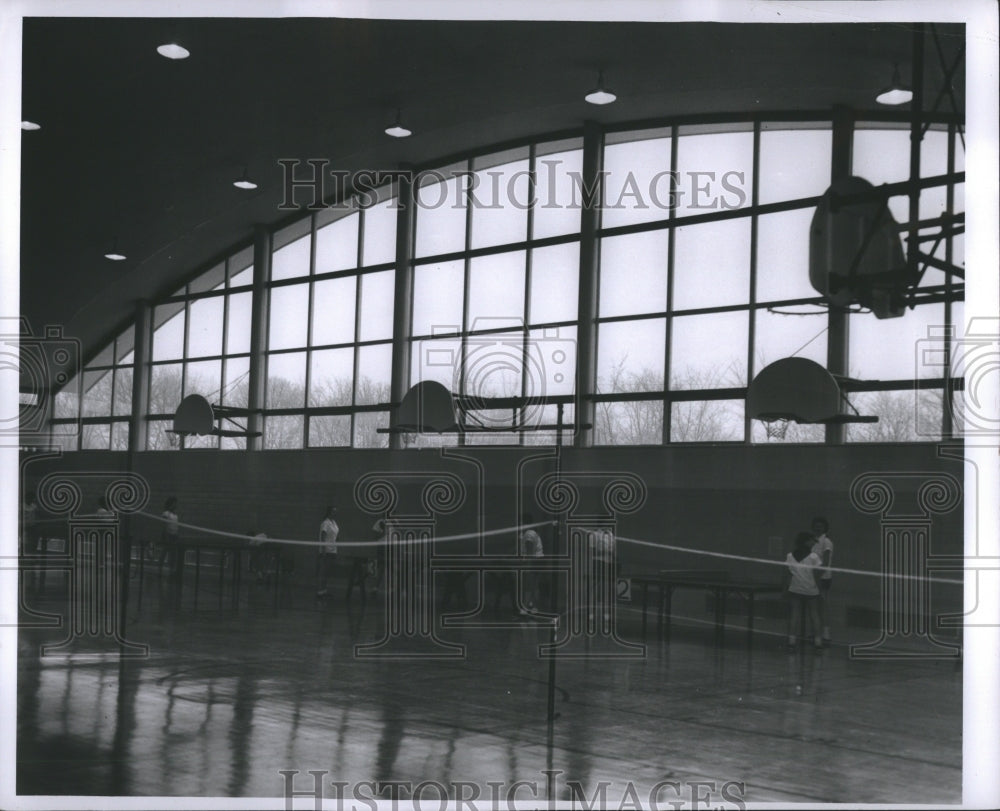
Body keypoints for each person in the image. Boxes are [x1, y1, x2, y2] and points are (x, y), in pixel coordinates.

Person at [786, 531, 823, 650]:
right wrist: (819, 589)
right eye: (812, 541)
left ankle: (791, 642)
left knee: (794, 615)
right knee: (814, 615)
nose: (814, 544)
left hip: (795, 589)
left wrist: (785, 589)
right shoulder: (814, 557)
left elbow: (788, 573)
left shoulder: (790, 556)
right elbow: (817, 574)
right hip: (811, 590)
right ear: (807, 541)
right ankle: (818, 642)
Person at [810, 516, 834, 646]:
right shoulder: (813, 541)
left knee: (822, 606)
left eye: (821, 525)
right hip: (813, 577)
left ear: (825, 528)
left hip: (823, 577)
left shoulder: (827, 542)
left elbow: (824, 562)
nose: (818, 527)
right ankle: (816, 632)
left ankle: (826, 634)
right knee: (815, 606)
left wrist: (816, 577)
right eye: (816, 525)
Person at [518, 512, 544, 615]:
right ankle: (534, 608)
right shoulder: (527, 533)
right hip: (538, 559)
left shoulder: (529, 533)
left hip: (534, 560)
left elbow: (529, 551)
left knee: (529, 585)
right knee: (534, 585)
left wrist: (527, 564)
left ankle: (525, 609)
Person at [316, 506, 339, 599]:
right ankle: (320, 592)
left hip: (333, 550)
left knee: (327, 572)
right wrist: (323, 550)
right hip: (326, 551)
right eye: (333, 511)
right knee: (323, 571)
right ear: (329, 512)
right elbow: (323, 536)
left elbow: (335, 535)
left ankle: (324, 590)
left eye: (336, 511)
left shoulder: (334, 523)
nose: (335, 513)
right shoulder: (325, 523)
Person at [158, 497, 180, 578]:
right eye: (174, 503)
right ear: (171, 504)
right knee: (164, 552)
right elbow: (164, 526)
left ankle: (171, 570)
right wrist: (166, 536)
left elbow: (176, 526)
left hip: (174, 536)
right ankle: (159, 569)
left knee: (173, 554)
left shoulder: (175, 515)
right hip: (168, 535)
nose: (176, 505)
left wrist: (177, 535)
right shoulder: (165, 514)